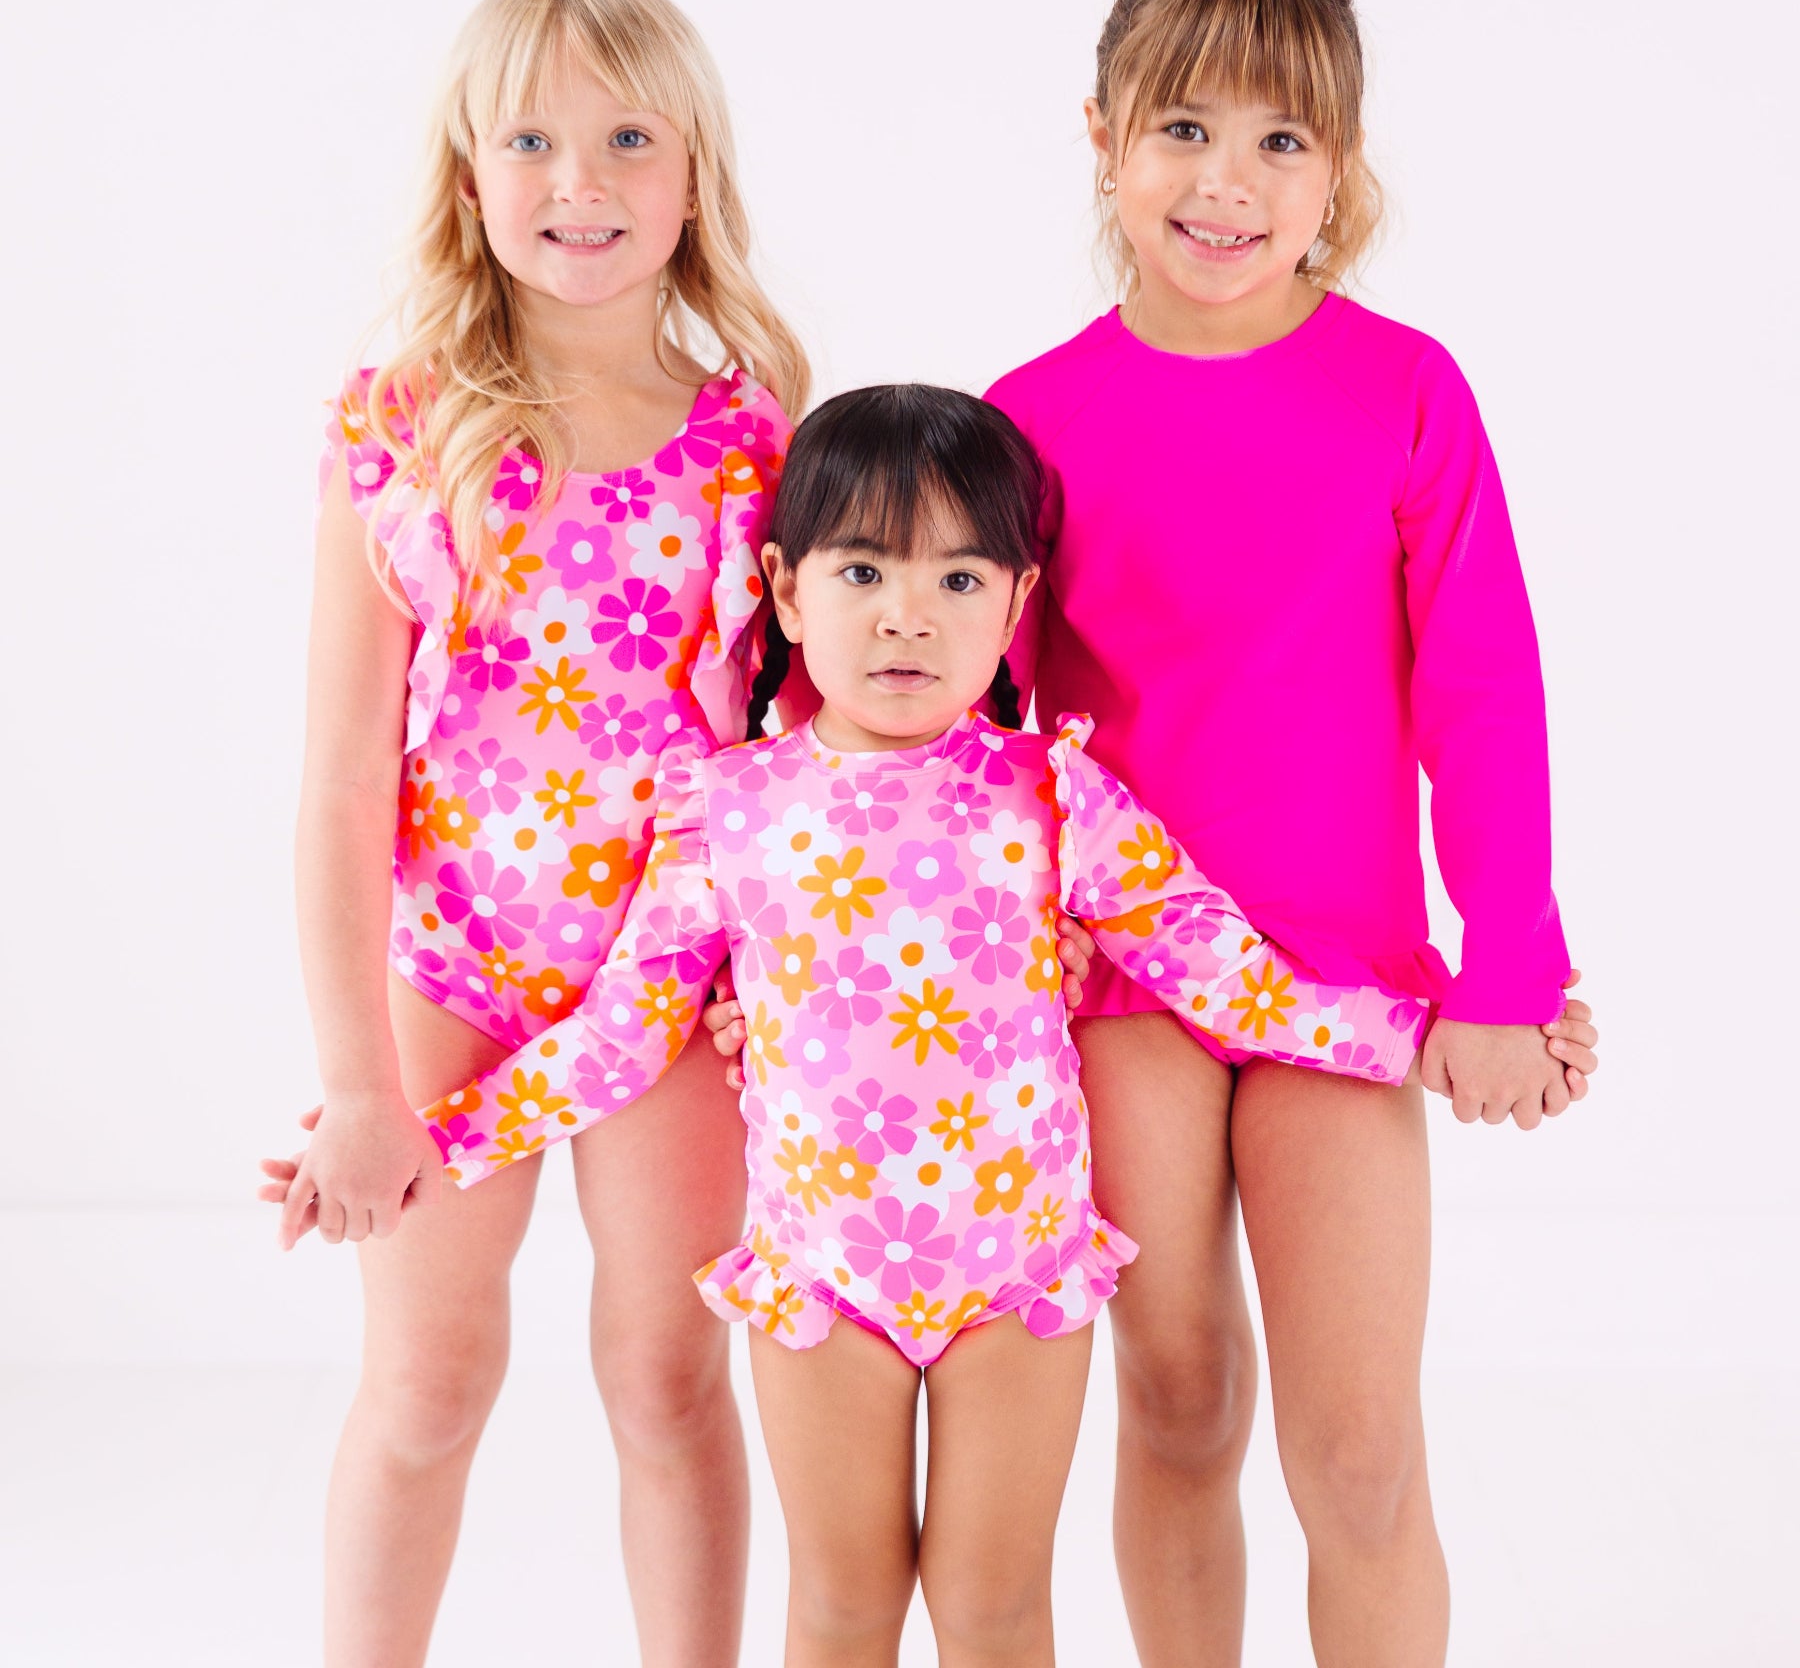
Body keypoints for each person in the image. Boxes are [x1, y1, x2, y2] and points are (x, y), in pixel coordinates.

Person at [429, 384, 1434, 1666]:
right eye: (863, 571)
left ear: (1017, 610)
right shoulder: (725, 811)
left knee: (993, 1603)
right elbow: (622, 1032)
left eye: (960, 581)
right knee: (843, 1602)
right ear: (786, 592)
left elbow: (1217, 965)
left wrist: (1413, 1037)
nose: (908, 614)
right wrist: (445, 1136)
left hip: (1014, 1271)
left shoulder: (1055, 796)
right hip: (824, 1273)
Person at [973, 0, 1600, 1667]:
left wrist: (1511, 974)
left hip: (1342, 973)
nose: (1227, 182)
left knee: (1360, 1453)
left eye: (1279, 138)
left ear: (1340, 165)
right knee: (1177, 1406)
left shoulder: (1404, 392)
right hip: (1126, 983)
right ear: (1104, 138)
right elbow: (967, 724)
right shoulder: (1028, 421)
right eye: (1184, 129)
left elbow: (1484, 692)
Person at [258, 0, 808, 1668]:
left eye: (629, 139)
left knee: (667, 1379)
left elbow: (795, 748)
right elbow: (342, 777)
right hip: (456, 977)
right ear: (470, 173)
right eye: (532, 142)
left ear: (694, 174)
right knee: (427, 1383)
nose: (581, 182)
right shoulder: (405, 422)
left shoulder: (749, 439)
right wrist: (361, 1085)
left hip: (673, 995)